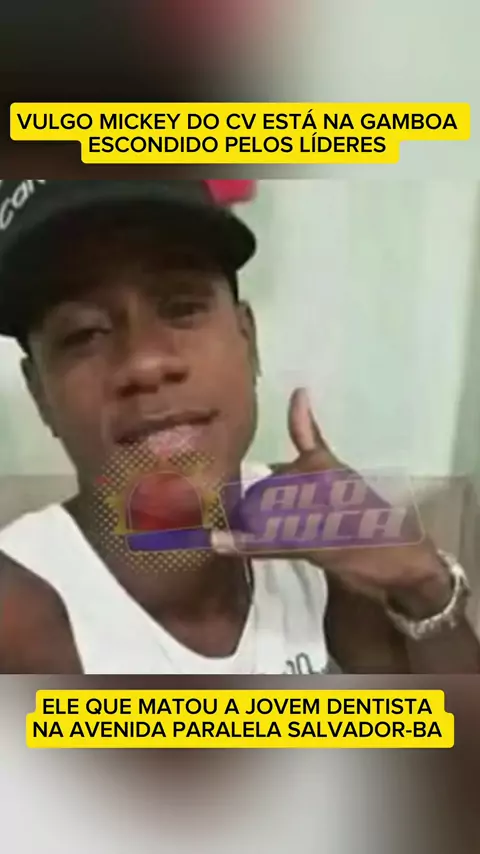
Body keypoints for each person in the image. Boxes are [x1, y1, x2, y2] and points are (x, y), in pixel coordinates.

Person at [0, 178, 478, 675]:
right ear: (40, 395)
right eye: (83, 334)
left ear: (248, 340)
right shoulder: (20, 612)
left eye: (182, 308)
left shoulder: (310, 535)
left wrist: (424, 587)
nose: (145, 362)